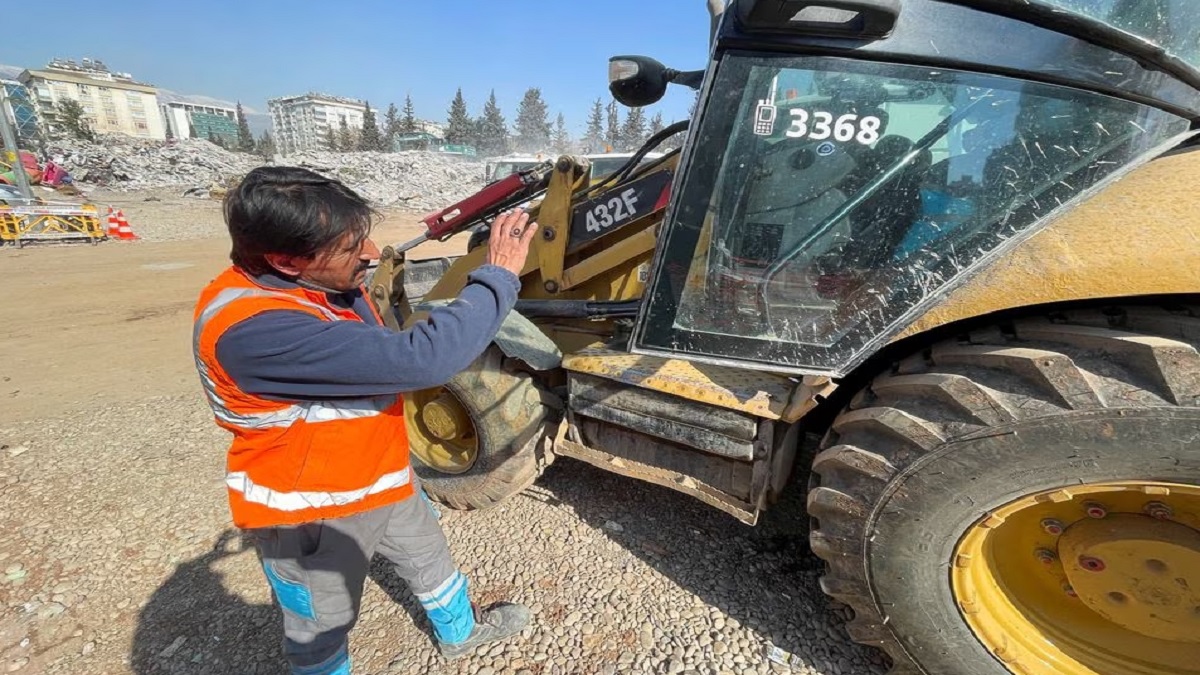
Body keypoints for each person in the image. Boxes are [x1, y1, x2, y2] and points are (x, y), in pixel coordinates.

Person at [190, 165, 539, 674]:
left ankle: (461, 633)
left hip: (383, 478)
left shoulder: (315, 286)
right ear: (285, 260)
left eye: (363, 238)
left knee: (430, 562)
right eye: (352, 247)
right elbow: (422, 360)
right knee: (321, 622)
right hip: (312, 508)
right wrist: (498, 274)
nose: (372, 253)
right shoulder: (255, 331)